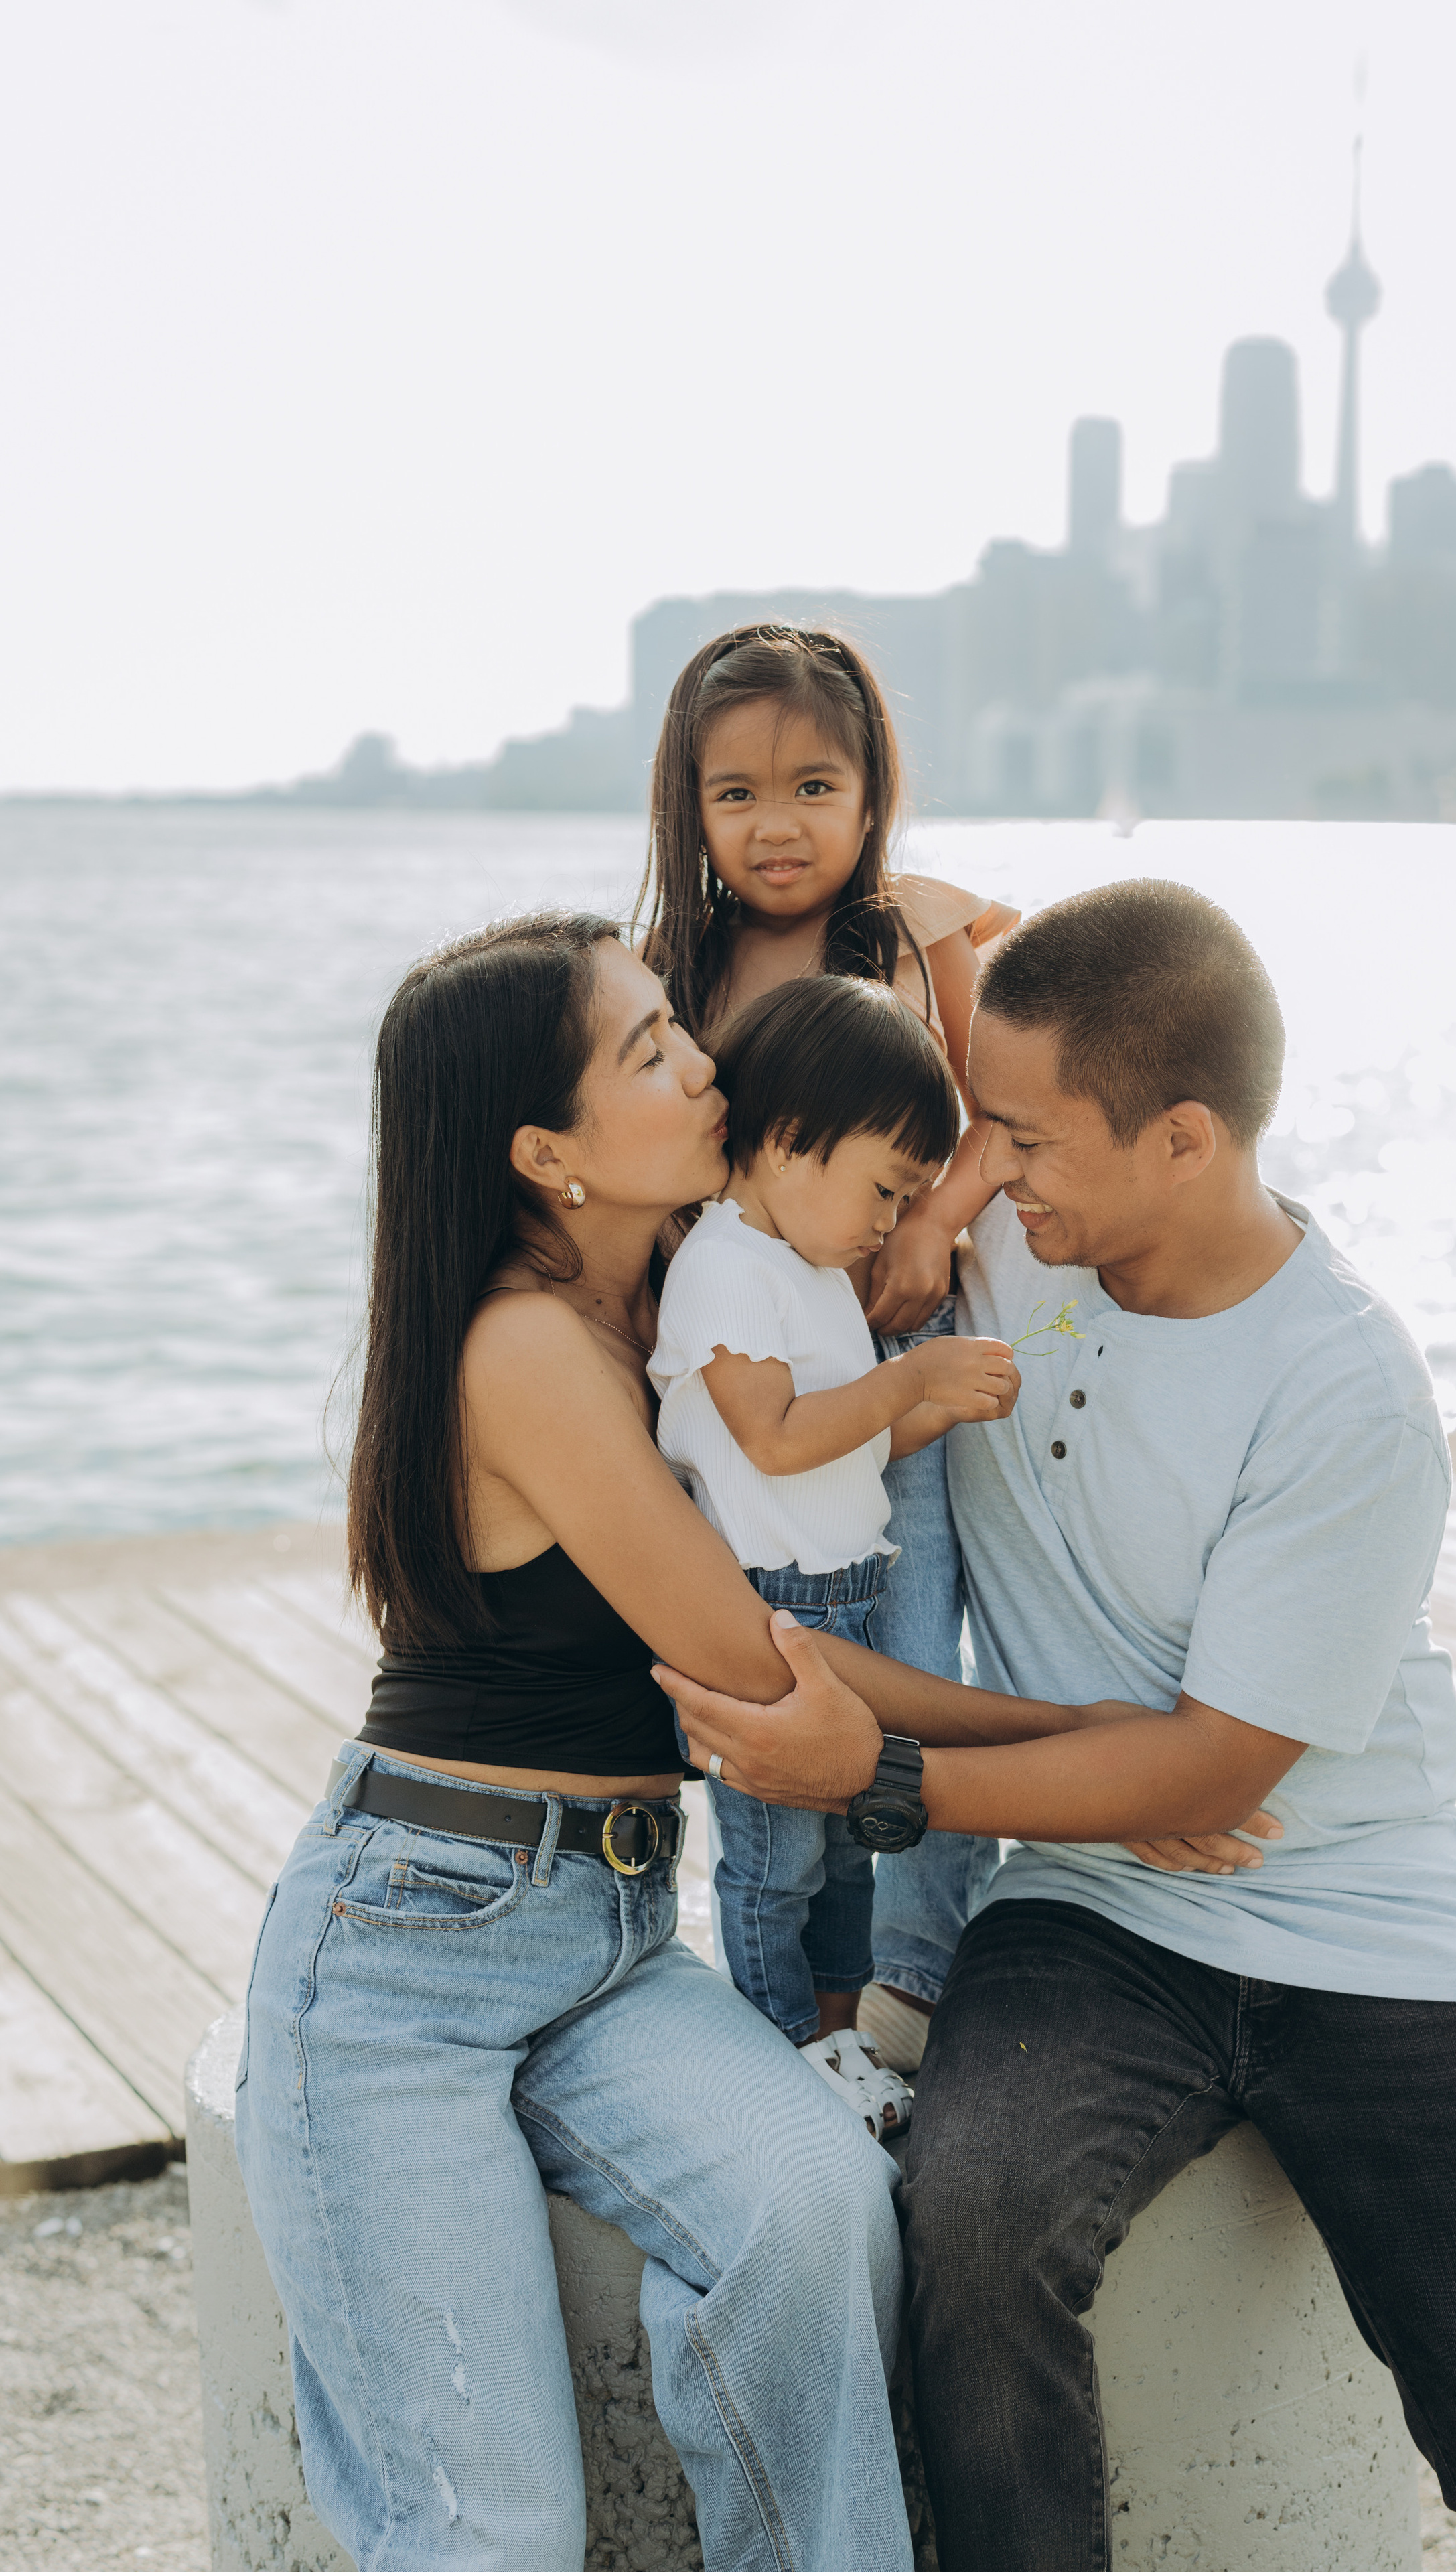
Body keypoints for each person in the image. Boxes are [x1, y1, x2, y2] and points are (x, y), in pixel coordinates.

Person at [234, 906, 1258, 2572]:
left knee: (817, 2218)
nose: (704, 1058)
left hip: (613, 1941)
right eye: (650, 1049)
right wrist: (1113, 1743)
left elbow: (916, 1184)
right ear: (545, 1153)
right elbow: (769, 1661)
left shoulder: (673, 1324)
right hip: (406, 1957)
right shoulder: (522, 1350)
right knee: (494, 2531)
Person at [659, 879, 1456, 2572]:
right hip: (1092, 1914)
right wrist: (952, 1147)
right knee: (968, 2240)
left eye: (1027, 1139)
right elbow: (814, 1178)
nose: (990, 1169)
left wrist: (879, 1778)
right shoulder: (998, 1245)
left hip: (1366, 1915)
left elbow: (1212, 1767)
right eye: (980, 1137)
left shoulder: (1341, 1384)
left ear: (1181, 1140)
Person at [638, 621, 1021, 2071]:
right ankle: (795, 2004)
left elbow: (992, 1117)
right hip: (757, 1408)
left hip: (897, 1387)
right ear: (690, 810)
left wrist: (930, 1226)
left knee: (913, 1667)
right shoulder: (671, 968)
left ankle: (918, 1986)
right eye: (733, 794)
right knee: (780, 1694)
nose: (775, 823)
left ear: (870, 793)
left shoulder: (909, 936)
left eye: (812, 786)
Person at [649, 975, 1017, 2133]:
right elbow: (774, 1434)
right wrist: (907, 1378)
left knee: (852, 1842)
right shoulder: (725, 1269)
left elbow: (838, 1454)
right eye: (883, 1187)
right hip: (768, 1616)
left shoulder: (810, 1271)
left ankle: (839, 2035)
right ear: (795, 1140)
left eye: (908, 1196)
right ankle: (779, 2047)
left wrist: (931, 1411)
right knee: (773, 1862)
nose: (885, 1220)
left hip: (842, 1591)